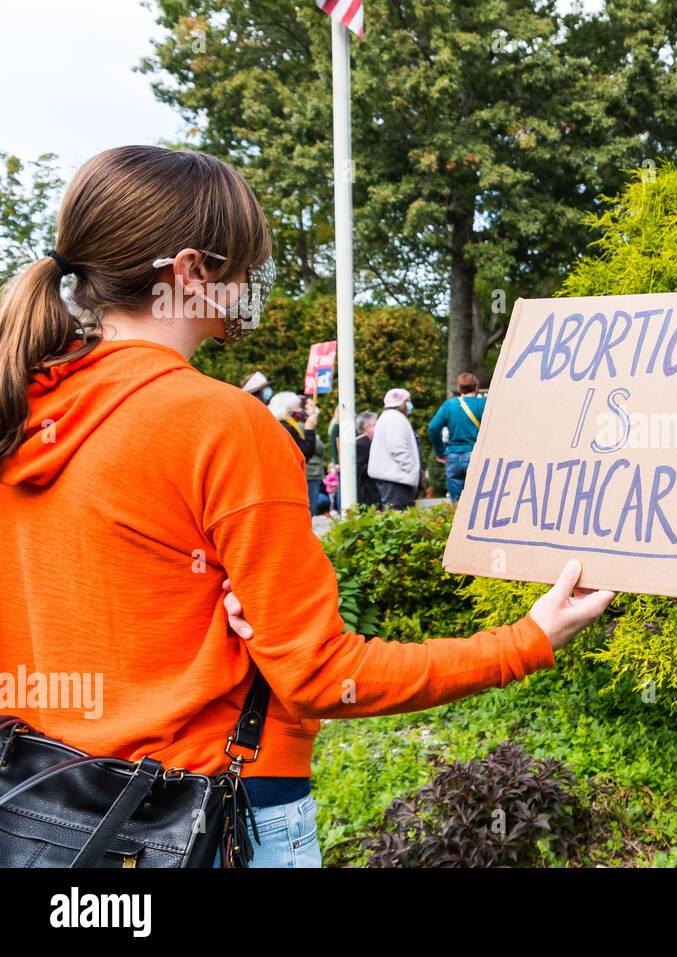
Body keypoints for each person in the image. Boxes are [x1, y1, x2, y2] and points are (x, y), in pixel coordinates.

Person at [0, 145, 614, 869]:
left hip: (39, 809)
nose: (253, 287)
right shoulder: (219, 424)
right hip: (206, 815)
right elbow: (323, 674)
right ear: (193, 272)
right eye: (245, 267)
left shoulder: (22, 406)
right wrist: (527, 639)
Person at [428, 372, 487, 502]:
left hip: (453, 457)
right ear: (476, 387)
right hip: (475, 455)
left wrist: (440, 452)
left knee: (457, 504)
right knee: (477, 502)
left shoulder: (449, 405)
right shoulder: (484, 404)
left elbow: (433, 427)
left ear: (459, 388)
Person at [269, 391, 328, 514]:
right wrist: (309, 430)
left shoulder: (279, 425)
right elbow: (304, 451)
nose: (299, 409)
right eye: (296, 406)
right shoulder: (288, 427)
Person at [368, 387, 422, 509]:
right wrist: (412, 470)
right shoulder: (395, 419)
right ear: (400, 403)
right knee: (397, 514)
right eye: (407, 401)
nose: (409, 404)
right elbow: (398, 448)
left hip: (393, 477)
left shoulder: (388, 417)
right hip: (396, 479)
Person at [354, 411, 381, 507]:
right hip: (366, 489)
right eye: (374, 425)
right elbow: (361, 467)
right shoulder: (362, 442)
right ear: (366, 427)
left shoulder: (367, 441)